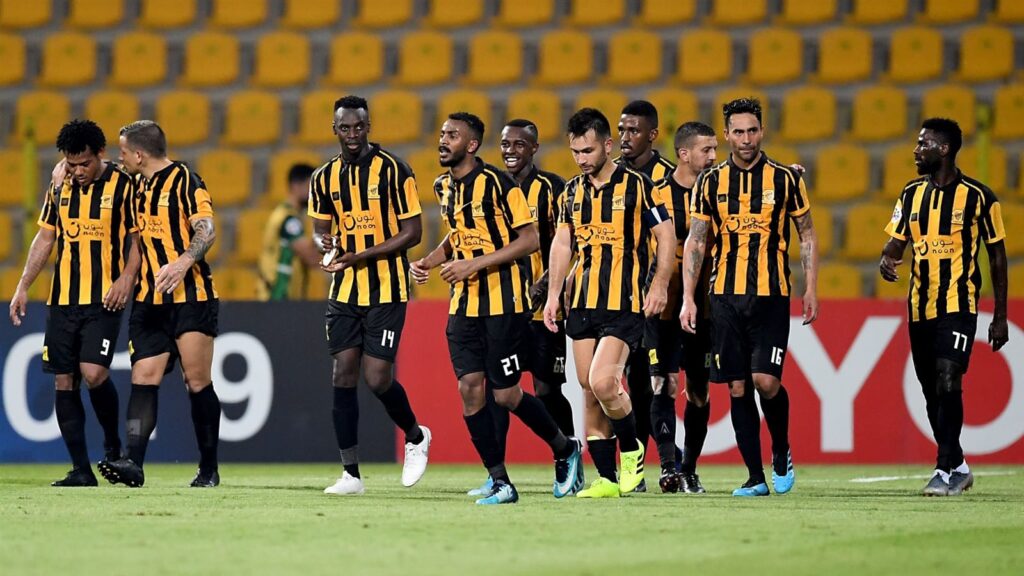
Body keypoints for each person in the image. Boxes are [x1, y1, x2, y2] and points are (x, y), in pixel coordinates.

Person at [411, 112, 582, 505]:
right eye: (442, 133)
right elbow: (459, 234)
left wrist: (473, 265)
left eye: (452, 135)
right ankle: (500, 481)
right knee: (470, 390)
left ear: (471, 145)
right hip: (463, 306)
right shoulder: (443, 186)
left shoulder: (499, 184)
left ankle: (564, 447)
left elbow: (529, 240)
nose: (443, 140)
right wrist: (430, 261)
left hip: (504, 304)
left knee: (505, 396)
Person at [680, 98, 819, 497]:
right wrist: (689, 297)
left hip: (771, 295)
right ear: (727, 135)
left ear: (762, 131)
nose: (746, 139)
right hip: (724, 297)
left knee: (766, 381)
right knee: (737, 387)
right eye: (738, 131)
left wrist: (810, 286)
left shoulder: (786, 179)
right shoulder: (710, 182)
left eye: (752, 130)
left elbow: (806, 233)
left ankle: (781, 448)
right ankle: (755, 477)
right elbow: (696, 240)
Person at [544, 108, 676, 498]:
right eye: (575, 152)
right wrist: (553, 295)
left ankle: (632, 451)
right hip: (583, 302)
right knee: (588, 388)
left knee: (605, 382)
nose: (581, 159)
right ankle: (606, 478)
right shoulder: (571, 192)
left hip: (624, 302)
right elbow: (563, 243)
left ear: (607, 145)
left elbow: (666, 236)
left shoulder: (639, 185)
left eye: (587, 151)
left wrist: (660, 284)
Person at [309, 95, 432, 495]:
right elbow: (319, 229)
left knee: (377, 378)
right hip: (345, 290)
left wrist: (359, 255)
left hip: (387, 288)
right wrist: (325, 243)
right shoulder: (324, 177)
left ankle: (416, 436)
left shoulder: (395, 170)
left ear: (369, 126)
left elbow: (413, 233)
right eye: (345, 128)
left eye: (359, 126)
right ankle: (351, 475)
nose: (352, 134)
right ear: (335, 130)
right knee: (342, 372)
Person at [880, 118, 1008, 497]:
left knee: (948, 377)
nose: (916, 150)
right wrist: (887, 258)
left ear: (944, 149)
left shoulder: (980, 197)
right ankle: (960, 466)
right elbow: (896, 242)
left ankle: (942, 469)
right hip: (920, 306)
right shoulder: (910, 194)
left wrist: (1000, 316)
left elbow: (997, 256)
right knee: (931, 391)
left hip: (958, 303)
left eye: (924, 144)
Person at [9, 119, 140, 487]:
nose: (78, 171)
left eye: (85, 163)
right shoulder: (59, 185)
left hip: (105, 297)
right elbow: (45, 237)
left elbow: (137, 241)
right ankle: (81, 470)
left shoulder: (123, 185)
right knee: (64, 380)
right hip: (63, 299)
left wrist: (126, 278)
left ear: (100, 154)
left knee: (94, 373)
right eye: (71, 164)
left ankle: (113, 449)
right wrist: (23, 285)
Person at [97, 120, 222, 488]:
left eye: (123, 151)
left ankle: (208, 468)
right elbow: (98, 167)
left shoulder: (186, 181)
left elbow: (207, 229)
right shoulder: (135, 183)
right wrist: (61, 169)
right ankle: (133, 464)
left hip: (191, 297)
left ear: (139, 155)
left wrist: (183, 263)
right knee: (143, 377)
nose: (120, 157)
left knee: (196, 381)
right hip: (149, 301)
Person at [464, 118, 575, 497]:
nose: (510, 151)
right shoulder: (491, 186)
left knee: (546, 388)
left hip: (544, 309)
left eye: (519, 144)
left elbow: (569, 241)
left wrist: (546, 284)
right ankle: (497, 474)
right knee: (499, 388)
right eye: (505, 144)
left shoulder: (553, 188)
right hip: (503, 303)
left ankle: (567, 458)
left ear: (534, 148)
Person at [647, 122, 718, 494]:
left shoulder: (722, 190)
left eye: (715, 149)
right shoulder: (656, 194)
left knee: (699, 391)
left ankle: (689, 468)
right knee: (663, 383)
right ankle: (668, 467)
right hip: (663, 307)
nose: (714, 157)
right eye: (707, 150)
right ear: (684, 154)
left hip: (705, 308)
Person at [615, 101, 678, 488]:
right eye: (621, 129)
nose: (625, 137)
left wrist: (659, 286)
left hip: (658, 300)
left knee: (661, 382)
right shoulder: (610, 175)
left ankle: (672, 466)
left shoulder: (667, 178)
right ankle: (636, 470)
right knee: (630, 384)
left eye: (633, 130)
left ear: (652, 135)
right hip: (620, 299)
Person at [258, 163, 320, 301]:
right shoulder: (288, 220)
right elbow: (312, 258)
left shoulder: (286, 216)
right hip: (278, 296)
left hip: (283, 298)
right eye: (311, 187)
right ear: (296, 186)